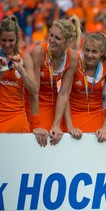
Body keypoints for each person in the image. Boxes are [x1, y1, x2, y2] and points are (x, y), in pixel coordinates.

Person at [30, 15, 82, 146]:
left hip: (53, 104)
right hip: (32, 104)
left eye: (57, 38)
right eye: (51, 35)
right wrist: (36, 123)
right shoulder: (39, 52)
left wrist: (56, 124)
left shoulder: (74, 57)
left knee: (55, 139)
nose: (52, 40)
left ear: (68, 42)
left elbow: (64, 94)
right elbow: (33, 92)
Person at [63, 33, 106, 142]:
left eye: (94, 52)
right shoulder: (75, 61)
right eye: (87, 50)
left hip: (97, 117)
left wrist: (105, 127)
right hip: (72, 115)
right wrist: (70, 126)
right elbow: (64, 95)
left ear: (102, 53)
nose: (89, 55)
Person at [0, 15, 38, 132]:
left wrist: (21, 70)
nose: (7, 44)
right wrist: (0, 71)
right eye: (3, 40)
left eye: (11, 40)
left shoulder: (25, 57)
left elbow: (34, 90)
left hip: (17, 116)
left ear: (17, 39)